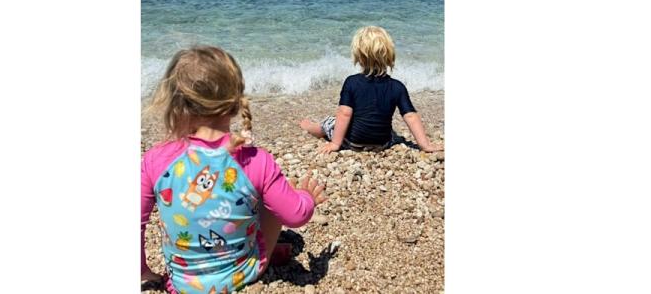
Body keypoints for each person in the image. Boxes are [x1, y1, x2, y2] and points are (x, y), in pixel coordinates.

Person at [141, 46, 327, 293]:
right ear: (234, 104)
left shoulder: (156, 159)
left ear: (177, 103)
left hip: (182, 284)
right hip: (244, 274)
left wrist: (142, 271)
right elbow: (296, 216)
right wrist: (307, 199)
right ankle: (266, 250)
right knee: (265, 196)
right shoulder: (255, 160)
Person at [299, 26, 443, 153]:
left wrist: (336, 143)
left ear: (359, 56)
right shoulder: (397, 86)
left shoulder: (352, 82)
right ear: (389, 55)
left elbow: (344, 114)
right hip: (382, 143)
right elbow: (411, 116)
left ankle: (311, 127)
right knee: (392, 132)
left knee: (329, 122)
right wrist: (425, 145)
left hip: (352, 142)